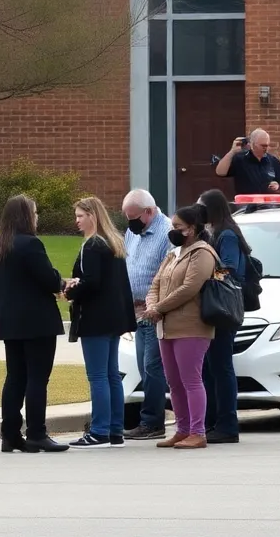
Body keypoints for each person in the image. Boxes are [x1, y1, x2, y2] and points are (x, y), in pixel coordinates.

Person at [0, 194, 69, 453]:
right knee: (37, 378)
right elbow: (48, 278)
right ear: (26, 216)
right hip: (36, 322)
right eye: (34, 213)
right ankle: (36, 432)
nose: (37, 217)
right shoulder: (30, 244)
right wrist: (62, 282)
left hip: (9, 322)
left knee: (15, 377)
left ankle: (10, 433)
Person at [64, 197, 136, 449]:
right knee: (111, 375)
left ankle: (99, 431)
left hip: (95, 318)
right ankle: (115, 430)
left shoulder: (92, 245)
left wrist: (70, 290)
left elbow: (91, 282)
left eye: (80, 216)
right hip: (114, 317)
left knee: (98, 376)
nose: (77, 221)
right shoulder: (113, 243)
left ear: (93, 216)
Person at [145, 203, 217, 450]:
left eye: (179, 227)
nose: (173, 230)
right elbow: (155, 283)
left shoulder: (203, 253)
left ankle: (198, 431)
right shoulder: (173, 253)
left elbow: (190, 288)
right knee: (173, 382)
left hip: (191, 326)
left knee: (191, 380)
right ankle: (182, 429)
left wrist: (158, 308)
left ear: (193, 228)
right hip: (166, 326)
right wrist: (152, 304)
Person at [197, 189, 251, 445]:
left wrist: (203, 278)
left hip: (223, 308)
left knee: (221, 367)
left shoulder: (227, 234)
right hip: (214, 310)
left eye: (202, 207)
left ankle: (227, 424)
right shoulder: (214, 232)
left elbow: (229, 269)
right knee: (210, 367)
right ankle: (212, 421)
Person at [120, 189, 173, 440]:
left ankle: (152, 422)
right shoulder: (133, 231)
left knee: (153, 367)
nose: (130, 223)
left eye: (134, 217)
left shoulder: (167, 232)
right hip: (135, 312)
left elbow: (168, 273)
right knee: (144, 365)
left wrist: (153, 303)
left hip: (154, 311)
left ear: (149, 212)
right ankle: (151, 419)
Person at [213, 129, 280, 195]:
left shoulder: (273, 161)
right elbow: (220, 172)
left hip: (268, 206)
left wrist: (279, 187)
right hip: (246, 206)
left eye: (267, 146)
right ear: (252, 144)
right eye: (263, 146)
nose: (266, 149)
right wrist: (232, 152)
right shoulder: (240, 159)